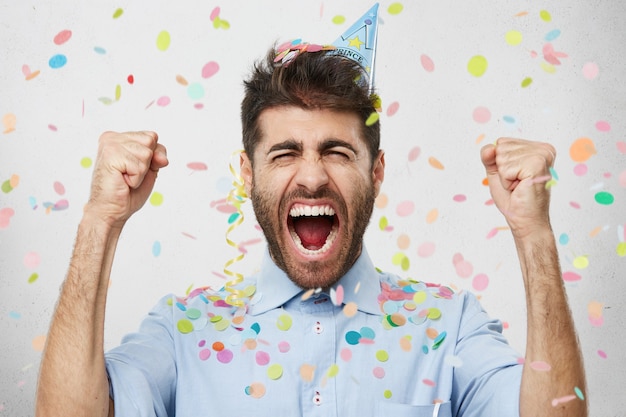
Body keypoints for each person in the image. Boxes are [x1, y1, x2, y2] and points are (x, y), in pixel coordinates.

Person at [35, 18, 587, 417]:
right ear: (248, 176)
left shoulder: (451, 327)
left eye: (337, 151)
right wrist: (100, 221)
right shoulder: (184, 332)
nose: (313, 176)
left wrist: (533, 233)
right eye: (284, 153)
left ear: (377, 173)